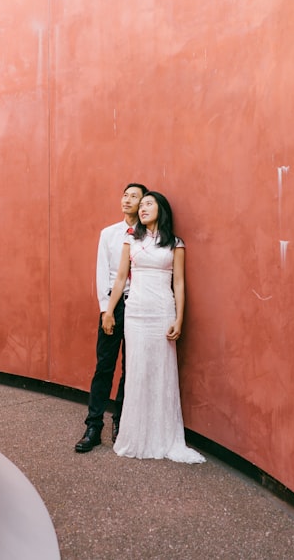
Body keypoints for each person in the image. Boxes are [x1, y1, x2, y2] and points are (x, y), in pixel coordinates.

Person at [102, 191, 205, 463]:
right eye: (142, 204)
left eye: (149, 204)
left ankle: (162, 436)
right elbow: (122, 277)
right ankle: (135, 436)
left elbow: (180, 284)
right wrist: (109, 310)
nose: (143, 208)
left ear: (162, 209)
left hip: (162, 312)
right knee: (136, 371)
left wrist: (179, 318)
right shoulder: (131, 240)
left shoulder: (175, 243)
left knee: (161, 372)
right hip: (135, 313)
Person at [74, 182, 149, 453]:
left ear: (143, 204)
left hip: (139, 306)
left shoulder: (147, 236)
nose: (127, 200)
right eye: (125, 195)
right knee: (104, 366)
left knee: (131, 369)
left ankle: (121, 422)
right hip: (114, 307)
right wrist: (105, 310)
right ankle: (93, 426)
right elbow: (102, 272)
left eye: (134, 197)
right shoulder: (109, 234)